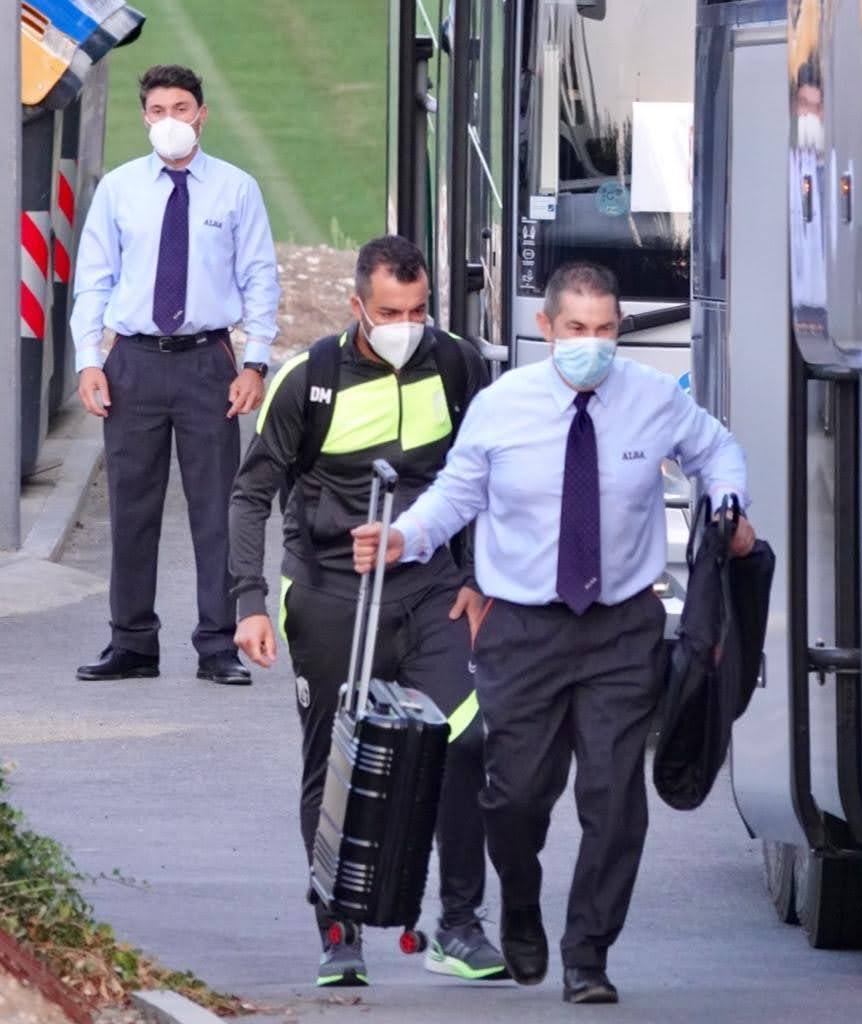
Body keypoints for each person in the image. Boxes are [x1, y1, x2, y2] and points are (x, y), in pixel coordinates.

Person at [353, 262, 756, 1005]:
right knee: (513, 800)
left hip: (620, 629)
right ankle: (520, 905)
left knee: (612, 799)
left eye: (604, 330)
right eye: (576, 329)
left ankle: (587, 954)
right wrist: (402, 538)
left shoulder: (651, 399)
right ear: (546, 329)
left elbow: (716, 450)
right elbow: (456, 495)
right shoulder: (502, 406)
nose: (591, 344)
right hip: (522, 631)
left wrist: (729, 504)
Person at [228, 235, 506, 987]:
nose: (405, 324)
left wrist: (477, 579)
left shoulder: (458, 365)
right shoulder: (307, 378)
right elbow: (251, 494)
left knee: (468, 740)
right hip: (327, 594)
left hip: (429, 590)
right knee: (336, 759)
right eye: (389, 310)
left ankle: (458, 925)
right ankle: (338, 932)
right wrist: (248, 603)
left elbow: (483, 482)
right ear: (357, 305)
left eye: (417, 310)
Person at [70, 65, 279, 686]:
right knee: (131, 508)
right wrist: (89, 359)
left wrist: (256, 362)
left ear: (202, 115)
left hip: (207, 362)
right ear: (144, 117)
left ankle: (218, 644)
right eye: (158, 109)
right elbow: (94, 277)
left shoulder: (235, 189)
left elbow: (260, 277)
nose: (170, 120)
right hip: (132, 360)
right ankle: (131, 642)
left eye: (181, 108)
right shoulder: (120, 189)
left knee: (216, 507)